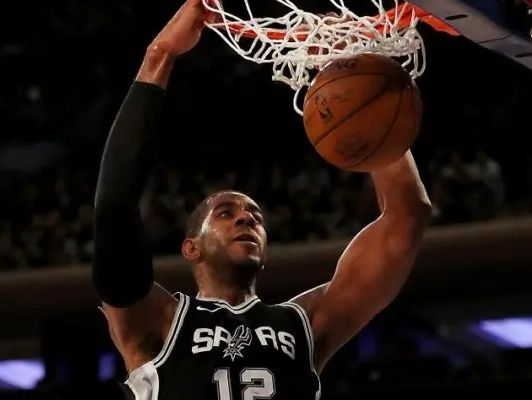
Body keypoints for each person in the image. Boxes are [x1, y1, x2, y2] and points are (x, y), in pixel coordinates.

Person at [91, 0, 432, 399]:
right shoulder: (161, 322)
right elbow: (114, 207)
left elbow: (407, 219)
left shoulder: (305, 324)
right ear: (191, 248)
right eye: (225, 213)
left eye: (255, 216)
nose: (246, 219)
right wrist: (160, 54)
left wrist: (376, 131)